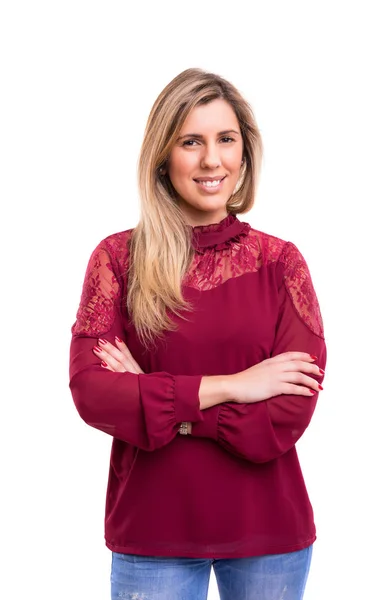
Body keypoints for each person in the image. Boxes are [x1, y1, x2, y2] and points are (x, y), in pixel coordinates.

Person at [69, 67, 326, 600]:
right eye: (192, 141)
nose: (213, 160)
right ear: (164, 155)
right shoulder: (117, 259)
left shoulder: (281, 263)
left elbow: (288, 412)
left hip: (268, 533)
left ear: (244, 152)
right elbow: (94, 393)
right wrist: (235, 385)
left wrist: (159, 397)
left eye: (225, 140)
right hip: (152, 531)